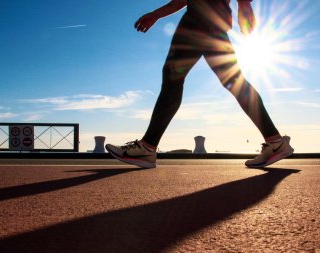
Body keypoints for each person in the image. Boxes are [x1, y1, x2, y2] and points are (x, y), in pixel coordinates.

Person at [106, 0, 294, 168]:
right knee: (234, 82)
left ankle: (147, 147)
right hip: (214, 24)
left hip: (197, 23)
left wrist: (244, 8)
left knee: (174, 79)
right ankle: (275, 142)